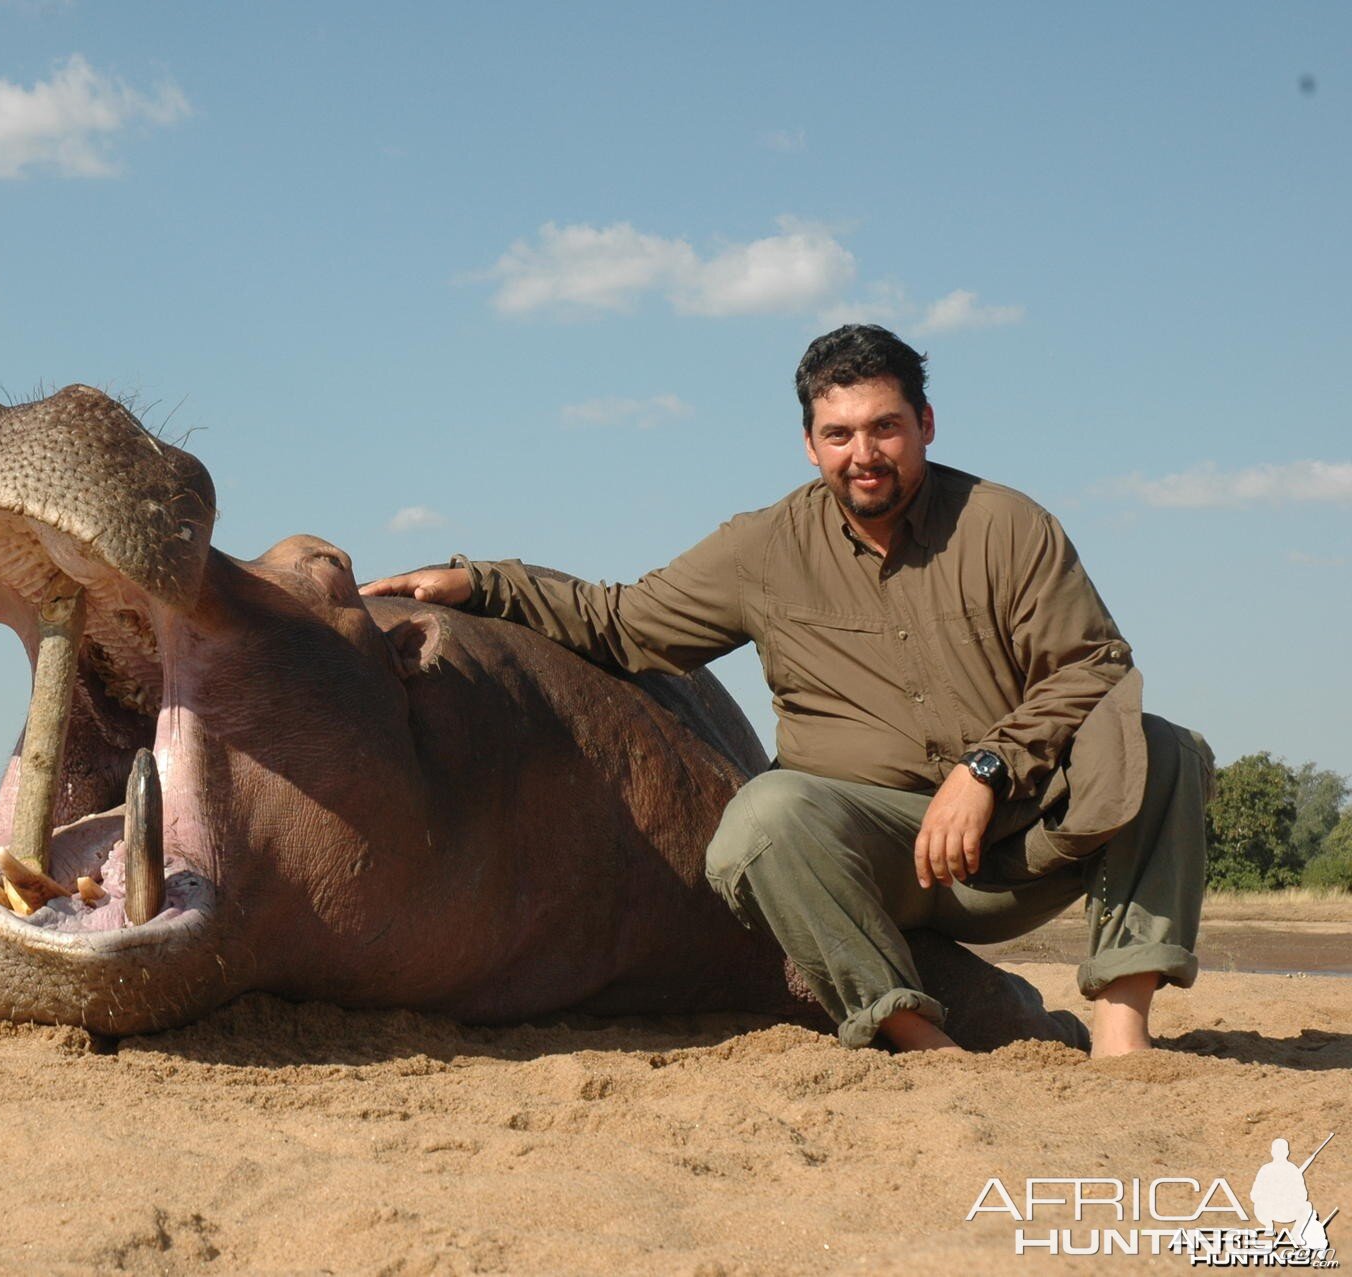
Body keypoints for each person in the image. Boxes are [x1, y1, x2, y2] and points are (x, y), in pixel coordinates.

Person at [363, 325, 1212, 1056]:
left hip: (1019, 830)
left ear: (925, 424)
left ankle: (1120, 1031)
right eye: (839, 433)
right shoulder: (763, 547)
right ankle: (915, 1038)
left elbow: (1092, 662)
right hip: (873, 858)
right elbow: (619, 620)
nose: (864, 453)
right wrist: (478, 582)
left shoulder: (1007, 524)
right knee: (764, 819)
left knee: (1163, 746)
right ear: (810, 444)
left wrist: (986, 769)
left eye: (885, 427)